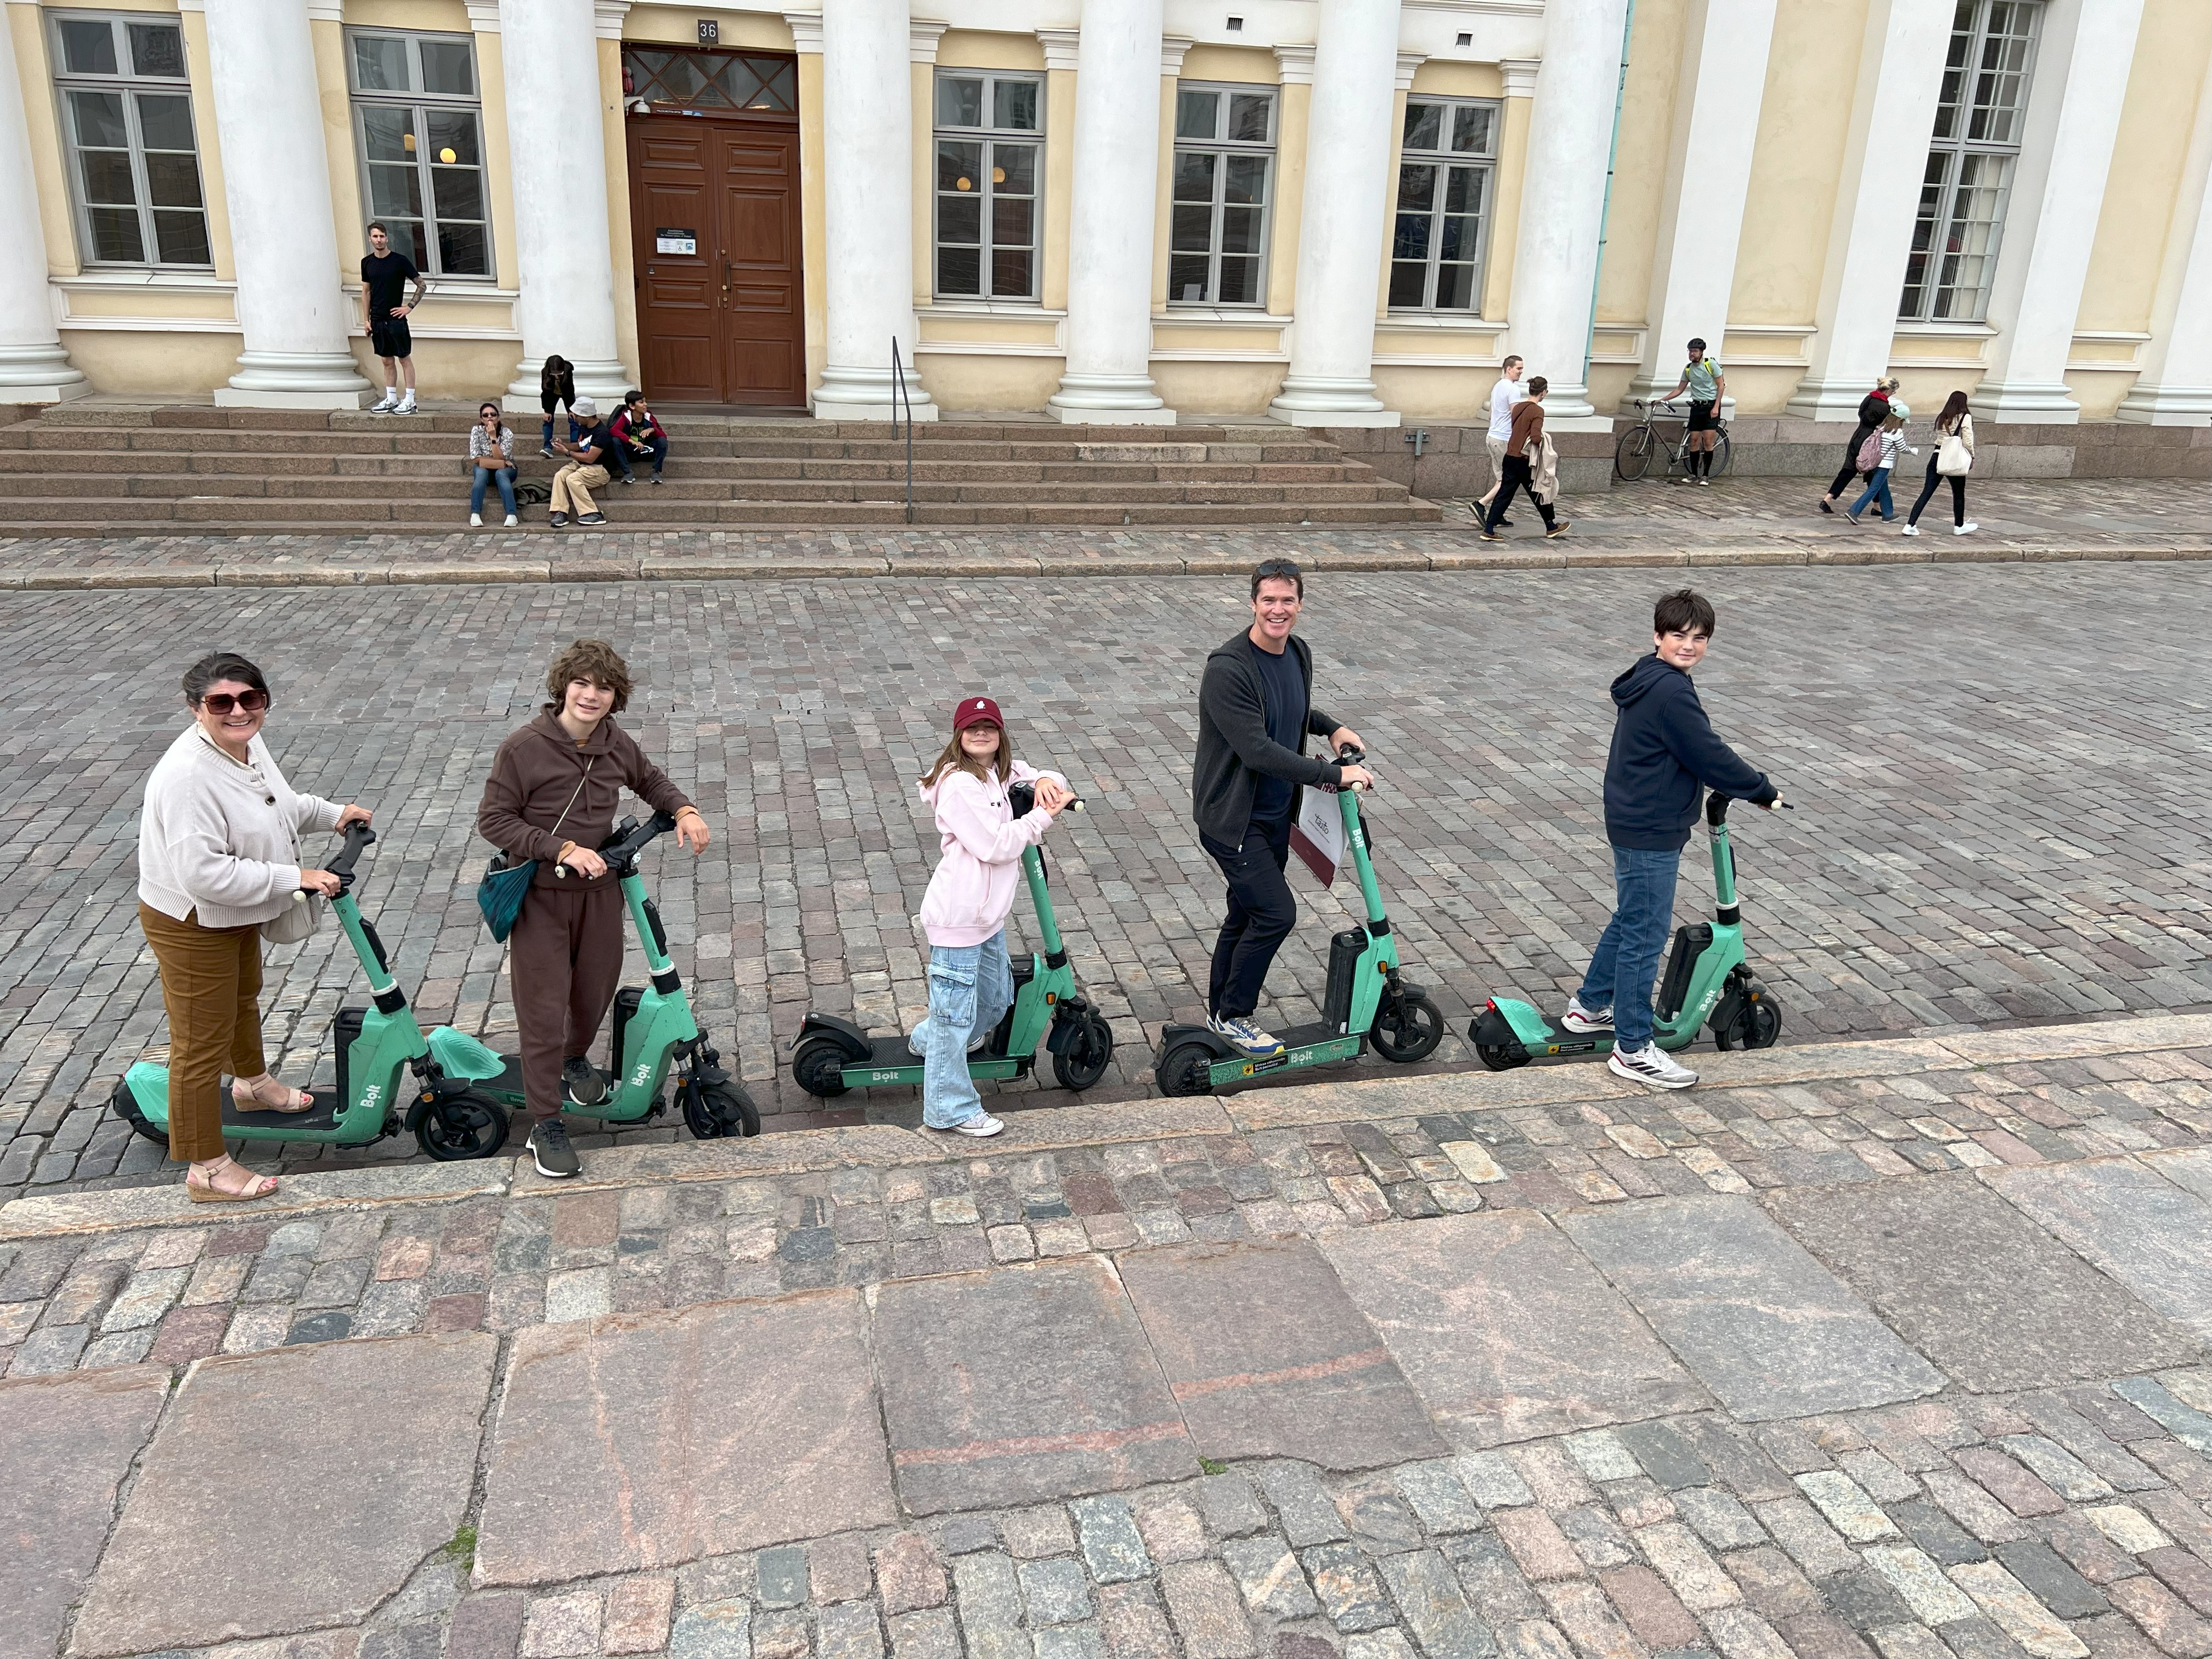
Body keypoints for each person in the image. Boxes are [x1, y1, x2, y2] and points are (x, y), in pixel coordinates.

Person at [138, 652, 374, 1201]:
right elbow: (204, 877)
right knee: (198, 1044)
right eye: (222, 702)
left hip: (234, 909)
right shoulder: (188, 778)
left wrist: (333, 813)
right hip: (192, 919)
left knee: (244, 995)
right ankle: (207, 1169)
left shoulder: (242, 743)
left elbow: (278, 805)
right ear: (196, 708)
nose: (239, 710)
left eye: (251, 698)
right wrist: (296, 875)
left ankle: (251, 1084)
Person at [477, 640, 709, 1179]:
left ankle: (575, 1058)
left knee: (594, 991)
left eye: (603, 687)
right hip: (541, 896)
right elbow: (495, 820)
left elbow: (649, 779)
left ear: (614, 697)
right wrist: (561, 848)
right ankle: (545, 1124)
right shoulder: (523, 748)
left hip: (600, 895)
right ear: (564, 687)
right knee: (542, 1011)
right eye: (582, 683)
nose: (591, 695)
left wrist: (685, 809)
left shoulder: (613, 743)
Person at [1560, 590, 1780, 1091]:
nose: (1689, 646)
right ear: (1657, 636)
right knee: (1645, 932)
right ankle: (1633, 1049)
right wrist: (1760, 789)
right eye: (1679, 636)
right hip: (1651, 825)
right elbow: (1707, 752)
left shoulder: (1649, 676)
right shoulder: (1671, 691)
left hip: (1636, 815)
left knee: (1631, 916)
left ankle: (1591, 1007)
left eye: (1699, 638)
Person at [1192, 559, 1374, 1059]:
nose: (1278, 610)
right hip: (1234, 819)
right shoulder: (1228, 670)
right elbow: (1257, 749)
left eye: (1287, 601)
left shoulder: (1296, 652)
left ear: (1299, 604)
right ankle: (1235, 1016)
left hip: (1276, 814)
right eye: (1268, 600)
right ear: (1253, 603)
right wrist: (1336, 775)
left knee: (1245, 912)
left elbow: (1292, 709)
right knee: (1275, 914)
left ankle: (1220, 1011)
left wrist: (1331, 726)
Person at [909, 697, 1074, 1137]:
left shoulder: (997, 773)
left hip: (988, 918)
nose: (981, 734)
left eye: (989, 727)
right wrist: (1042, 815)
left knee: (996, 1001)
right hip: (960, 918)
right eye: (972, 728)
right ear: (958, 737)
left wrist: (1044, 782)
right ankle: (950, 1108)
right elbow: (996, 845)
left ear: (1000, 735)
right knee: (955, 1019)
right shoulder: (960, 785)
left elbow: (1045, 773)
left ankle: (929, 1040)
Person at [1480, 376, 1570, 540]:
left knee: (1505, 494)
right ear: (1543, 393)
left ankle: (1489, 529)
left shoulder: (1518, 408)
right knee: (1539, 490)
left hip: (1510, 457)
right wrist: (1545, 440)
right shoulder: (1538, 411)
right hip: (1524, 461)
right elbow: (1535, 438)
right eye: (1545, 392)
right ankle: (1551, 526)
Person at [361, 222, 426, 415]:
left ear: (387, 238)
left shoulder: (400, 261)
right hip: (378, 320)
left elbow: (421, 285)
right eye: (375, 237)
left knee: (404, 359)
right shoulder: (367, 263)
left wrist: (409, 307)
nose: (379, 240)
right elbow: (366, 292)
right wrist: (366, 320)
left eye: (382, 236)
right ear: (370, 239)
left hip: (396, 319)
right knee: (386, 361)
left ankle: (410, 401)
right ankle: (390, 399)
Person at [1903, 390, 1978, 538]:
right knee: (1958, 493)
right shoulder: (1965, 417)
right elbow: (1968, 439)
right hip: (1953, 458)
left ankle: (1910, 524)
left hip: (1937, 456)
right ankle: (1959, 525)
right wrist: (1972, 456)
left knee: (1927, 492)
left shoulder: (1943, 416)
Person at [1819, 378, 1897, 513]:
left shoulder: (1868, 398)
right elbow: (1888, 424)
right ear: (1889, 390)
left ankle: (1828, 498)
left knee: (1848, 469)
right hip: (1870, 441)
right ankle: (1876, 506)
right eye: (1894, 392)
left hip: (1858, 435)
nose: (1893, 394)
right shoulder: (1884, 407)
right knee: (1873, 471)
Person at [1664, 338, 1725, 483]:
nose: (1692, 354)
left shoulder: (1711, 365)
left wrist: (1716, 407)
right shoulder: (1688, 369)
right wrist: (1661, 399)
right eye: (1690, 351)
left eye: (1695, 351)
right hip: (1697, 407)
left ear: (1701, 352)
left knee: (1708, 442)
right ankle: (1693, 474)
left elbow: (1721, 386)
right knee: (1694, 441)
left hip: (1711, 407)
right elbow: (1680, 389)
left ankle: (1705, 475)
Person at [1475, 354, 1525, 524]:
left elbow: (1491, 414)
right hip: (1503, 439)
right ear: (1508, 368)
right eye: (1518, 368)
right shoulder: (1513, 389)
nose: (1521, 372)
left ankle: (1498, 514)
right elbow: (1515, 416)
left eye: (1522, 369)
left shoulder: (1497, 386)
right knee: (1507, 480)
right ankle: (1480, 505)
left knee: (1504, 479)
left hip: (1492, 436)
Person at [548, 397, 612, 528]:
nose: (574, 417)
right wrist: (564, 445)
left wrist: (566, 452)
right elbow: (581, 445)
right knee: (560, 475)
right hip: (581, 465)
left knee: (573, 479)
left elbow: (590, 458)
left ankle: (592, 514)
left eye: (577, 415)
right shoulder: (584, 426)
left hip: (600, 469)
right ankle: (561, 512)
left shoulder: (602, 433)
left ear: (586, 416)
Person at [1845, 413, 1914, 524]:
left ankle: (1888, 514)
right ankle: (1854, 511)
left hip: (1874, 463)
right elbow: (1902, 448)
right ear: (1900, 419)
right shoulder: (1897, 432)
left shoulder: (1881, 429)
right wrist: (1913, 451)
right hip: (1884, 466)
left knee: (1884, 489)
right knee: (1873, 489)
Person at [468, 401, 519, 527]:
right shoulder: (476, 431)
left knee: (501, 473)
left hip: (507, 470)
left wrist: (493, 438)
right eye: (485, 415)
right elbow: (475, 458)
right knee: (481, 472)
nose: (489, 417)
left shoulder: (507, 433)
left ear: (498, 417)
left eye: (493, 414)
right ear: (481, 419)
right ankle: (475, 513)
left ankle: (512, 514)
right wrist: (499, 462)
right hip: (485, 469)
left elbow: (502, 458)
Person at [611, 390, 669, 486]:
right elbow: (614, 431)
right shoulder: (625, 418)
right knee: (615, 441)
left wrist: (652, 430)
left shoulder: (648, 417)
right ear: (632, 406)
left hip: (647, 451)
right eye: (642, 402)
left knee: (662, 441)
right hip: (631, 451)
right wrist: (633, 442)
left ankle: (656, 471)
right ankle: (628, 472)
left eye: (645, 402)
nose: (646, 405)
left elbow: (663, 435)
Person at [540, 356, 579, 458]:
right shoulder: (545, 372)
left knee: (573, 419)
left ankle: (574, 446)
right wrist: (547, 410)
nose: (557, 376)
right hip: (551, 394)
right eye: (554, 374)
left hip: (567, 394)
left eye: (560, 374)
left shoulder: (568, 370)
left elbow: (570, 390)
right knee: (548, 420)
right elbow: (545, 392)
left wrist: (570, 410)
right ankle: (547, 447)